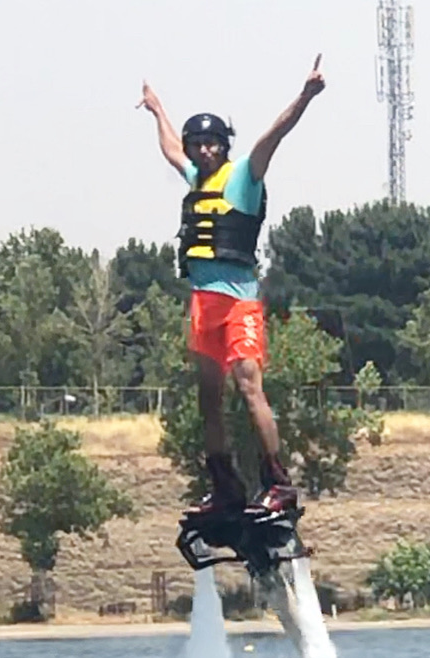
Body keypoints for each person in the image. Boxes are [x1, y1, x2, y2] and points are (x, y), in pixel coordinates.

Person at [137, 55, 326, 516]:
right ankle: (224, 485)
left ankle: (278, 481)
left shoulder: (244, 175)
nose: (203, 151)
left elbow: (275, 134)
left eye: (211, 144)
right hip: (204, 305)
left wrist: (305, 96)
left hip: (239, 303)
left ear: (224, 146)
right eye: (197, 145)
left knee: (248, 385)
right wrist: (157, 110)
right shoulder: (194, 177)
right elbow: (170, 149)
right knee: (208, 398)